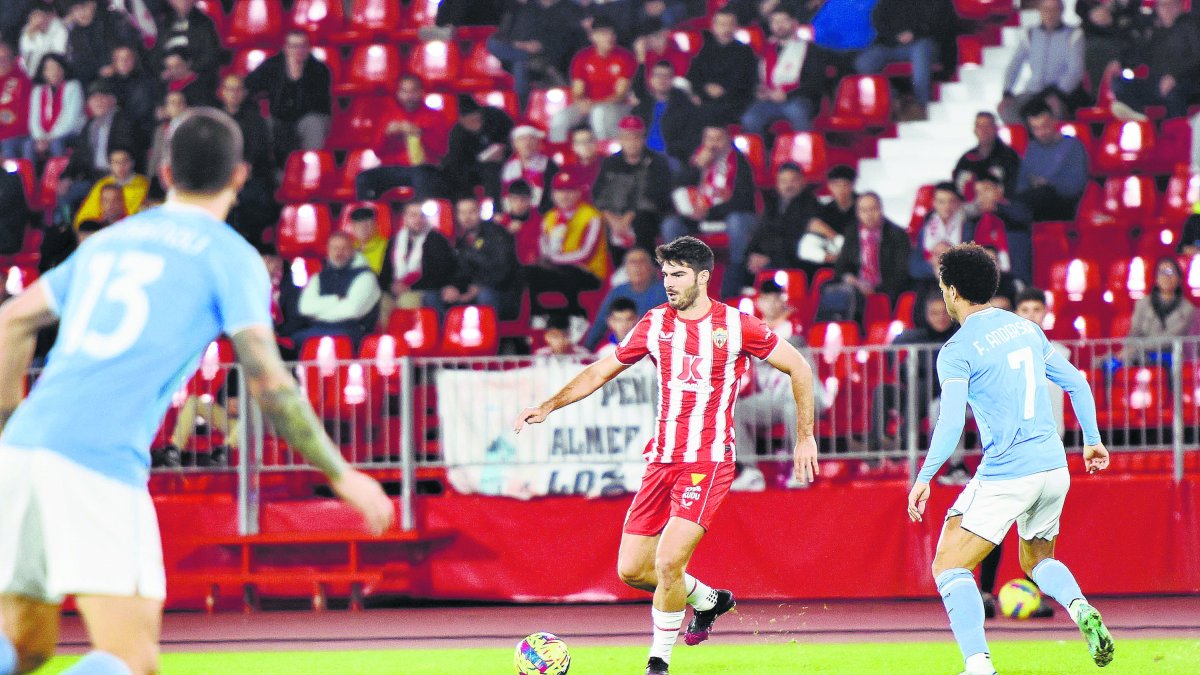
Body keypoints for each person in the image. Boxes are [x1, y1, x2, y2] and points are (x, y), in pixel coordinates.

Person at [0, 108, 393, 675]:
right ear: (239, 176)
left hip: (23, 454)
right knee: (130, 659)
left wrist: (10, 423)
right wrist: (341, 474)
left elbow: (13, 319)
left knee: (28, 646)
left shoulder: (107, 243)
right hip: (96, 462)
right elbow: (270, 384)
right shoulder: (229, 256)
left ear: (164, 173)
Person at [514, 236, 818, 675]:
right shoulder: (655, 323)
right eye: (665, 275)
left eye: (677, 275)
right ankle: (710, 601)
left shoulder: (737, 325)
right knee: (632, 570)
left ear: (703, 277)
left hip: (708, 461)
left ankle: (658, 662)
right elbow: (603, 369)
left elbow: (800, 367)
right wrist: (548, 404)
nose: (669, 283)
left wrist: (804, 436)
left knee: (669, 561)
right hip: (661, 461)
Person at [906, 243, 1114, 675]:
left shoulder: (958, 349)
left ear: (954, 291)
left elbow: (949, 423)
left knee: (948, 564)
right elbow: (1076, 382)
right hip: (1054, 467)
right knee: (1037, 561)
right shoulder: (1025, 329)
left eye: (944, 286)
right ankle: (1080, 608)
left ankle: (978, 665)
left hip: (1008, 470)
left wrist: (925, 475)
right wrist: (1092, 440)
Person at [663, 124, 758, 298]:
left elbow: (742, 200)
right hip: (698, 216)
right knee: (671, 225)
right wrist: (696, 167)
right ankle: (679, 279)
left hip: (727, 215)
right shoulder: (696, 160)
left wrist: (709, 211)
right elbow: (677, 189)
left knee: (738, 223)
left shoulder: (739, 162)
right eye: (709, 139)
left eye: (718, 139)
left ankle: (734, 283)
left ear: (728, 140)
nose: (713, 145)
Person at [524, 170, 608, 318]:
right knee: (530, 272)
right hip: (558, 268)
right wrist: (549, 259)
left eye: (570, 190)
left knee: (569, 275)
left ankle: (577, 319)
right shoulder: (549, 217)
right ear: (553, 194)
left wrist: (554, 259)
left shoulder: (592, 216)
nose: (565, 195)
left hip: (589, 271)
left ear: (579, 192)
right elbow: (544, 248)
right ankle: (538, 317)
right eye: (560, 190)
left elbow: (586, 253)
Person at [244, 29, 332, 167]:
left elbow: (317, 105)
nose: (298, 50)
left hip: (306, 118)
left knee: (313, 124)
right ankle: (268, 172)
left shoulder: (320, 70)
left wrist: (299, 75)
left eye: (302, 46)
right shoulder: (272, 66)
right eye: (293, 46)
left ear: (308, 48)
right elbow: (248, 86)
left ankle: (311, 170)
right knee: (262, 124)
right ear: (286, 48)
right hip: (279, 118)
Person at [855, 0, 954, 120]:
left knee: (921, 53)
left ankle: (921, 103)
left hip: (921, 41)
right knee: (864, 62)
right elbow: (878, 19)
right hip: (892, 43)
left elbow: (937, 22)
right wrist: (894, 37)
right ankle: (895, 98)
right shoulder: (886, 3)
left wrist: (914, 34)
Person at [591, 115, 673, 260]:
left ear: (643, 139)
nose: (632, 143)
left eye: (636, 137)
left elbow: (657, 196)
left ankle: (645, 264)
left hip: (647, 216)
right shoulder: (611, 163)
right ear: (620, 139)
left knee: (642, 221)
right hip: (615, 215)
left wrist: (628, 217)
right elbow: (599, 194)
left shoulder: (657, 162)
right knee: (597, 223)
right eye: (627, 138)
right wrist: (612, 218)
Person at [740, 8, 828, 137]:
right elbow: (755, 78)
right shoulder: (766, 49)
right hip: (769, 99)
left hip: (798, 98)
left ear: (794, 23)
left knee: (796, 111)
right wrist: (759, 90)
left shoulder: (810, 49)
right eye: (774, 21)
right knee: (749, 118)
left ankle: (804, 153)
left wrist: (788, 94)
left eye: (783, 21)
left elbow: (815, 82)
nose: (779, 25)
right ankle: (759, 155)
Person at [1108, 0, 1200, 120]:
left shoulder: (1192, 26)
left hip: (1186, 84)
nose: (1167, 10)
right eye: (1162, 6)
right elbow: (1140, 54)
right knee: (1120, 83)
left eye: (1170, 5)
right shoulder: (1155, 31)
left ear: (1180, 6)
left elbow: (1196, 59)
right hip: (1157, 84)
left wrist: (1175, 77)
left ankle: (1177, 131)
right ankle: (1140, 120)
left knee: (1174, 93)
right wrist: (1120, 62)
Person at [550, 17, 636, 143]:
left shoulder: (625, 57)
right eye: (604, 33)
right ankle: (559, 155)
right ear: (593, 36)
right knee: (560, 118)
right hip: (588, 105)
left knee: (599, 113)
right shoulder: (582, 57)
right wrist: (581, 102)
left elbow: (620, 95)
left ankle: (603, 154)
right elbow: (578, 90)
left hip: (617, 107)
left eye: (612, 33)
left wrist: (594, 104)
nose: (609, 37)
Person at [998, 0, 1086, 125]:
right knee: (1007, 110)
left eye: (1054, 10)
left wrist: (1058, 93)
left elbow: (1075, 71)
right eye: (1046, 10)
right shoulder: (1030, 34)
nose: (1050, 14)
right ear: (1040, 11)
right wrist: (1007, 92)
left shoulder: (1074, 35)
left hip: (1060, 92)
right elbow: (1015, 65)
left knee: (1055, 110)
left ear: (1061, 11)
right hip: (1033, 91)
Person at [487, 0, 587, 108]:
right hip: (522, 50)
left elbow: (564, 37)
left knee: (520, 65)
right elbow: (513, 33)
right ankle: (524, 58)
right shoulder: (529, 7)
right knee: (494, 45)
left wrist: (540, 45)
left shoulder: (567, 8)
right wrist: (519, 44)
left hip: (547, 53)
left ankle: (521, 108)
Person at [293, 232, 381, 347]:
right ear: (328, 251)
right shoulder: (318, 277)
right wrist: (335, 299)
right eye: (335, 248)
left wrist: (318, 313)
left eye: (344, 248)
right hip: (318, 328)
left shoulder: (366, 277)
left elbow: (352, 311)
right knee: (292, 341)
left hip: (352, 331)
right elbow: (304, 307)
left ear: (352, 250)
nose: (339, 252)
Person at [442, 196, 522, 320]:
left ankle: (488, 337)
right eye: (462, 213)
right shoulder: (461, 241)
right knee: (439, 296)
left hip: (503, 293)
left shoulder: (497, 233)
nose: (467, 217)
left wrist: (478, 288)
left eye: (471, 212)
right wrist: (454, 287)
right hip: (474, 290)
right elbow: (460, 272)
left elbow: (503, 271)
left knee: (485, 296)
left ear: (479, 212)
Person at [1012, 99, 1089, 223]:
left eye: (1045, 126)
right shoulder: (1032, 148)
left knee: (1042, 194)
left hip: (1064, 203)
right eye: (1036, 129)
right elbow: (1022, 183)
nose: (1042, 133)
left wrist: (1048, 182)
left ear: (1054, 121)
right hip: (1035, 202)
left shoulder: (1072, 145)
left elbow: (1077, 184)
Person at [379, 199, 458, 318]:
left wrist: (410, 287)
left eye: (421, 215)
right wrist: (391, 286)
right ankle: (386, 337)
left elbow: (440, 274)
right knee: (381, 301)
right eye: (413, 215)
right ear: (405, 218)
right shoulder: (394, 241)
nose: (418, 220)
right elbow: (385, 272)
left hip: (422, 289)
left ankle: (405, 335)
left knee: (407, 300)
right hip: (395, 290)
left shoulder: (436, 240)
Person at [582, 247, 669, 350]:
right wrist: (586, 350)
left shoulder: (666, 292)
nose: (637, 267)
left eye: (642, 262)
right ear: (625, 269)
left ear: (652, 267)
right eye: (632, 262)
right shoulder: (618, 292)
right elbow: (599, 325)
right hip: (622, 349)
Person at [834, 191, 912, 304]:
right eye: (864, 210)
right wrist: (852, 280)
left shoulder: (898, 235)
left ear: (881, 210)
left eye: (873, 209)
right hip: (857, 286)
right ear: (857, 213)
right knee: (830, 289)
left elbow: (900, 273)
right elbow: (841, 265)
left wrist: (874, 289)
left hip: (887, 289)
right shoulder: (852, 232)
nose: (869, 214)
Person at [686, 9, 758, 126]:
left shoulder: (745, 52)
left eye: (730, 24)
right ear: (714, 26)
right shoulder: (705, 49)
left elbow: (746, 82)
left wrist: (722, 90)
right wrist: (704, 89)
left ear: (736, 27)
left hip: (734, 101)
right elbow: (693, 76)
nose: (726, 28)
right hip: (706, 98)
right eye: (722, 24)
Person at [747, 161, 820, 275]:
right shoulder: (772, 204)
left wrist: (769, 258)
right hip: (768, 257)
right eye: (783, 181)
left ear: (802, 181)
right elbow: (760, 233)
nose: (788, 186)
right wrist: (753, 254)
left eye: (793, 181)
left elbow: (795, 240)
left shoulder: (810, 205)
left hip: (793, 262)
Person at [440, 95, 514, 202]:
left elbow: (513, 138)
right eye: (471, 122)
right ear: (462, 121)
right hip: (472, 168)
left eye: (477, 119)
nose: (476, 124)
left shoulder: (497, 118)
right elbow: (457, 160)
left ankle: (493, 207)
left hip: (499, 165)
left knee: (492, 171)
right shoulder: (457, 134)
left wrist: (505, 151)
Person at [1121, 256, 1194, 364]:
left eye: (1171, 272)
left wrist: (1138, 347)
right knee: (1109, 364)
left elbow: (1168, 339)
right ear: (1156, 278)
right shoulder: (1142, 303)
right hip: (1139, 353)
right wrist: (1130, 347)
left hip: (1169, 356)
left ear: (1179, 278)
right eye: (1162, 272)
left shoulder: (1187, 309)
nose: (1167, 277)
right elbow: (1135, 331)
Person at [630, 59, 701, 166]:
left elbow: (690, 142)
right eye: (658, 75)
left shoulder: (685, 108)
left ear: (672, 80)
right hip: (641, 156)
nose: (662, 80)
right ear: (651, 79)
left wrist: (668, 150)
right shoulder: (641, 108)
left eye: (666, 76)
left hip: (669, 158)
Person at [375, 74, 451, 168]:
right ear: (398, 93)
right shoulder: (388, 116)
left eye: (413, 91)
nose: (409, 96)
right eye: (404, 91)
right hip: (394, 168)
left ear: (422, 92)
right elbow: (377, 151)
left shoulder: (435, 116)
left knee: (421, 176)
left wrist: (420, 133)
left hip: (423, 168)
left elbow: (442, 150)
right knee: (364, 178)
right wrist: (386, 134)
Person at [24, 52, 85, 162]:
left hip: (68, 134)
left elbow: (71, 119)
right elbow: (34, 119)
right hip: (44, 136)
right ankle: (29, 178)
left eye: (57, 68)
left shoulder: (73, 87)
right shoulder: (37, 91)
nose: (54, 72)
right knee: (28, 145)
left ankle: (59, 177)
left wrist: (50, 138)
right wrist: (40, 138)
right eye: (49, 69)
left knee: (56, 143)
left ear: (63, 69)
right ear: (43, 72)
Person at [63, 0, 139, 87]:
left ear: (93, 4)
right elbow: (80, 65)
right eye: (76, 9)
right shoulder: (75, 34)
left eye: (84, 7)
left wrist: (115, 66)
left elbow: (131, 48)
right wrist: (98, 71)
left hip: (127, 77)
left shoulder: (114, 19)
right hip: (96, 82)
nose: (81, 13)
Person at [952, 112, 1022, 199]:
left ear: (996, 129)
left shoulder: (1010, 156)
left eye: (987, 126)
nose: (983, 130)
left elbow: (1016, 187)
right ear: (974, 130)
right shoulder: (966, 158)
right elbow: (956, 188)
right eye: (979, 126)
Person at [73, 147, 147, 226]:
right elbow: (86, 214)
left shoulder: (144, 185)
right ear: (110, 165)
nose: (121, 166)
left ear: (132, 163)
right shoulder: (102, 184)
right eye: (116, 162)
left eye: (125, 161)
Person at [154, 0, 223, 81]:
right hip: (168, 77)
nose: (183, 2)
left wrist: (190, 69)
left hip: (197, 77)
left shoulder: (205, 23)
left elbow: (211, 54)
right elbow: (157, 53)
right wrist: (164, 69)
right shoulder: (164, 23)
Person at [502, 125, 559, 212]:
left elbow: (553, 197)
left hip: (541, 214)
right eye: (522, 139)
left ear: (538, 143)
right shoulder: (506, 167)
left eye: (531, 139)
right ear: (514, 144)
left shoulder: (549, 166)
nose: (526, 144)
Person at [496, 178, 541, 264]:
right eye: (514, 200)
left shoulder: (540, 222)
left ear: (530, 200)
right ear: (509, 200)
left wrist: (522, 230)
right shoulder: (501, 223)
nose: (519, 204)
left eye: (523, 200)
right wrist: (506, 232)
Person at [17, 5, 65, 83]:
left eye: (42, 15)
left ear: (50, 15)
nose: (39, 20)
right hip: (31, 75)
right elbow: (24, 56)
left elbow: (58, 55)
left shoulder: (59, 28)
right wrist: (30, 37)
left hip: (52, 74)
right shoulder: (28, 30)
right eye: (35, 16)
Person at [0, 42, 31, 159]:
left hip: (16, 134)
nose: (2, 63)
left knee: (7, 145)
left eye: (5, 58)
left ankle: (12, 178)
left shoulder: (22, 81)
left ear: (12, 59)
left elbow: (23, 115)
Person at [346, 205, 388, 275]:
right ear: (353, 228)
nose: (363, 228)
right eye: (358, 225)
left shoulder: (387, 246)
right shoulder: (349, 248)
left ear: (376, 225)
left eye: (367, 224)